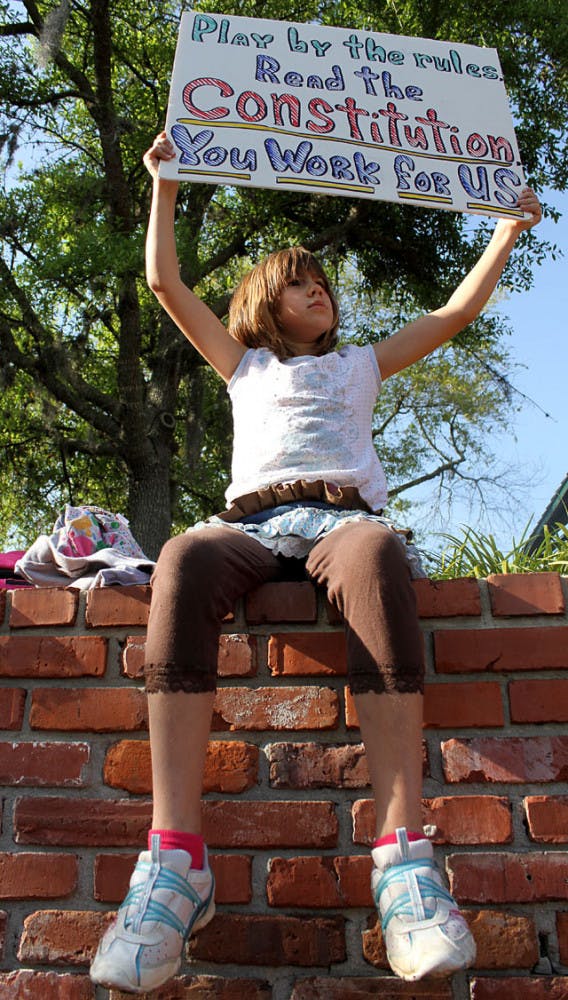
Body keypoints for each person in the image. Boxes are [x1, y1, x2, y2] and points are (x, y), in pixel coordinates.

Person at [90, 131, 541, 994]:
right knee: (181, 559)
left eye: (323, 284)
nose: (318, 293)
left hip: (340, 520)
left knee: (377, 553)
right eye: (300, 285)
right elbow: (164, 284)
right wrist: (165, 187)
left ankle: (404, 863)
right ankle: (176, 861)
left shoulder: (362, 366)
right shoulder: (244, 366)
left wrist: (506, 232)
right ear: (265, 304)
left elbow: (451, 316)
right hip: (252, 526)